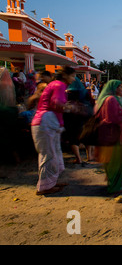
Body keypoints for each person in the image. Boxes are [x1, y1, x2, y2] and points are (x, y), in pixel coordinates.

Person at [31, 66, 76, 195]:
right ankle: (44, 187)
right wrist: (72, 108)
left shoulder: (56, 84)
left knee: (54, 153)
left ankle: (51, 182)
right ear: (65, 76)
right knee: (48, 155)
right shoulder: (59, 85)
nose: (74, 79)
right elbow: (57, 104)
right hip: (45, 121)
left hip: (48, 122)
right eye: (72, 76)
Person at [94, 80, 122, 195]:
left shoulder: (106, 99)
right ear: (114, 88)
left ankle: (116, 183)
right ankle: (115, 187)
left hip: (108, 135)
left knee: (113, 160)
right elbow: (113, 118)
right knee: (115, 161)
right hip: (114, 135)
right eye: (120, 87)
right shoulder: (111, 100)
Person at [63, 77, 95, 164]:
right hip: (85, 116)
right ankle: (90, 156)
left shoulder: (67, 93)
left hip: (72, 117)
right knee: (87, 136)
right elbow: (92, 103)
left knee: (73, 138)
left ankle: (78, 158)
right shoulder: (84, 92)